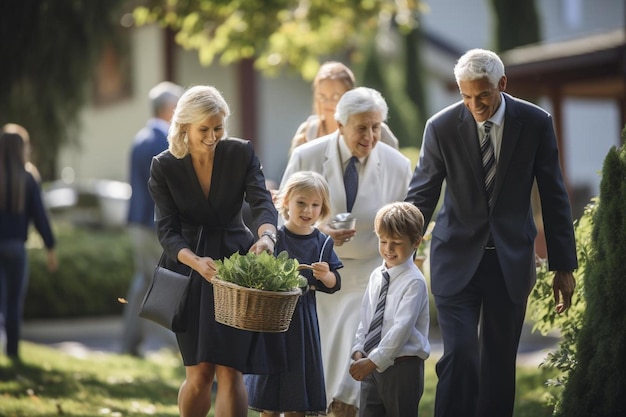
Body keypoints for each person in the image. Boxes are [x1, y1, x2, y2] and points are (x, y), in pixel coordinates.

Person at [405, 48, 577, 417]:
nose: (474, 104)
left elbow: (554, 194)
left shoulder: (534, 122)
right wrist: (401, 246)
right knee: (461, 355)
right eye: (465, 96)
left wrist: (563, 265)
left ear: (502, 83)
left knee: (498, 366)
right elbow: (422, 193)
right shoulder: (441, 127)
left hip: (509, 261)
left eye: (482, 95)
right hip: (456, 258)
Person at [148, 84, 283, 417]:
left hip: (234, 265)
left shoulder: (241, 152)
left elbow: (263, 202)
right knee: (199, 373)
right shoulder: (164, 166)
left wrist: (267, 237)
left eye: (218, 128)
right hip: (187, 267)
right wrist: (194, 262)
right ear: (184, 127)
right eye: (203, 130)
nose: (212, 136)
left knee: (231, 370)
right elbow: (167, 230)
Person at [280, 87, 413, 417]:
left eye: (376, 127)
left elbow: (405, 224)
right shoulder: (308, 156)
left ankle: (344, 405)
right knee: (314, 344)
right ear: (340, 125)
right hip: (315, 269)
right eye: (361, 128)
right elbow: (282, 211)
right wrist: (318, 232)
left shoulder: (396, 164)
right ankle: (310, 404)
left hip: (369, 270)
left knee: (358, 320)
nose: (370, 136)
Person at [245, 171, 343, 417]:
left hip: (302, 322)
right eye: (301, 202)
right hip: (272, 320)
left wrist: (325, 275)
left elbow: (335, 283)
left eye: (315, 205)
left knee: (296, 393)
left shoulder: (322, 243)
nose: (307, 210)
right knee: (269, 395)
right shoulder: (274, 238)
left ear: (323, 208)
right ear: (286, 201)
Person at [121, 81, 184, 356]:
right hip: (154, 225)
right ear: (170, 109)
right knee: (165, 285)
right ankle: (182, 349)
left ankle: (129, 343)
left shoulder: (140, 138)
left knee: (143, 283)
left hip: (139, 222)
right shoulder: (162, 141)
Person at [349, 202, 430, 417]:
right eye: (383, 241)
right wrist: (359, 348)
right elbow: (366, 316)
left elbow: (401, 329)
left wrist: (375, 360)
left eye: (396, 243)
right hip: (369, 364)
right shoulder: (377, 275)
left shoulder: (414, 282)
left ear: (416, 243)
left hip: (402, 368)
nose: (388, 249)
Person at [0, 129, 58, 360]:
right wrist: (50, 248)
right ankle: (12, 352)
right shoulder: (28, 177)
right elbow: (40, 217)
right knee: (13, 304)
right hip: (16, 249)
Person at [288, 61, 399, 156]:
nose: (328, 103)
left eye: (335, 96)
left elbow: (395, 169)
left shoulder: (378, 132)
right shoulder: (307, 133)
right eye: (322, 97)